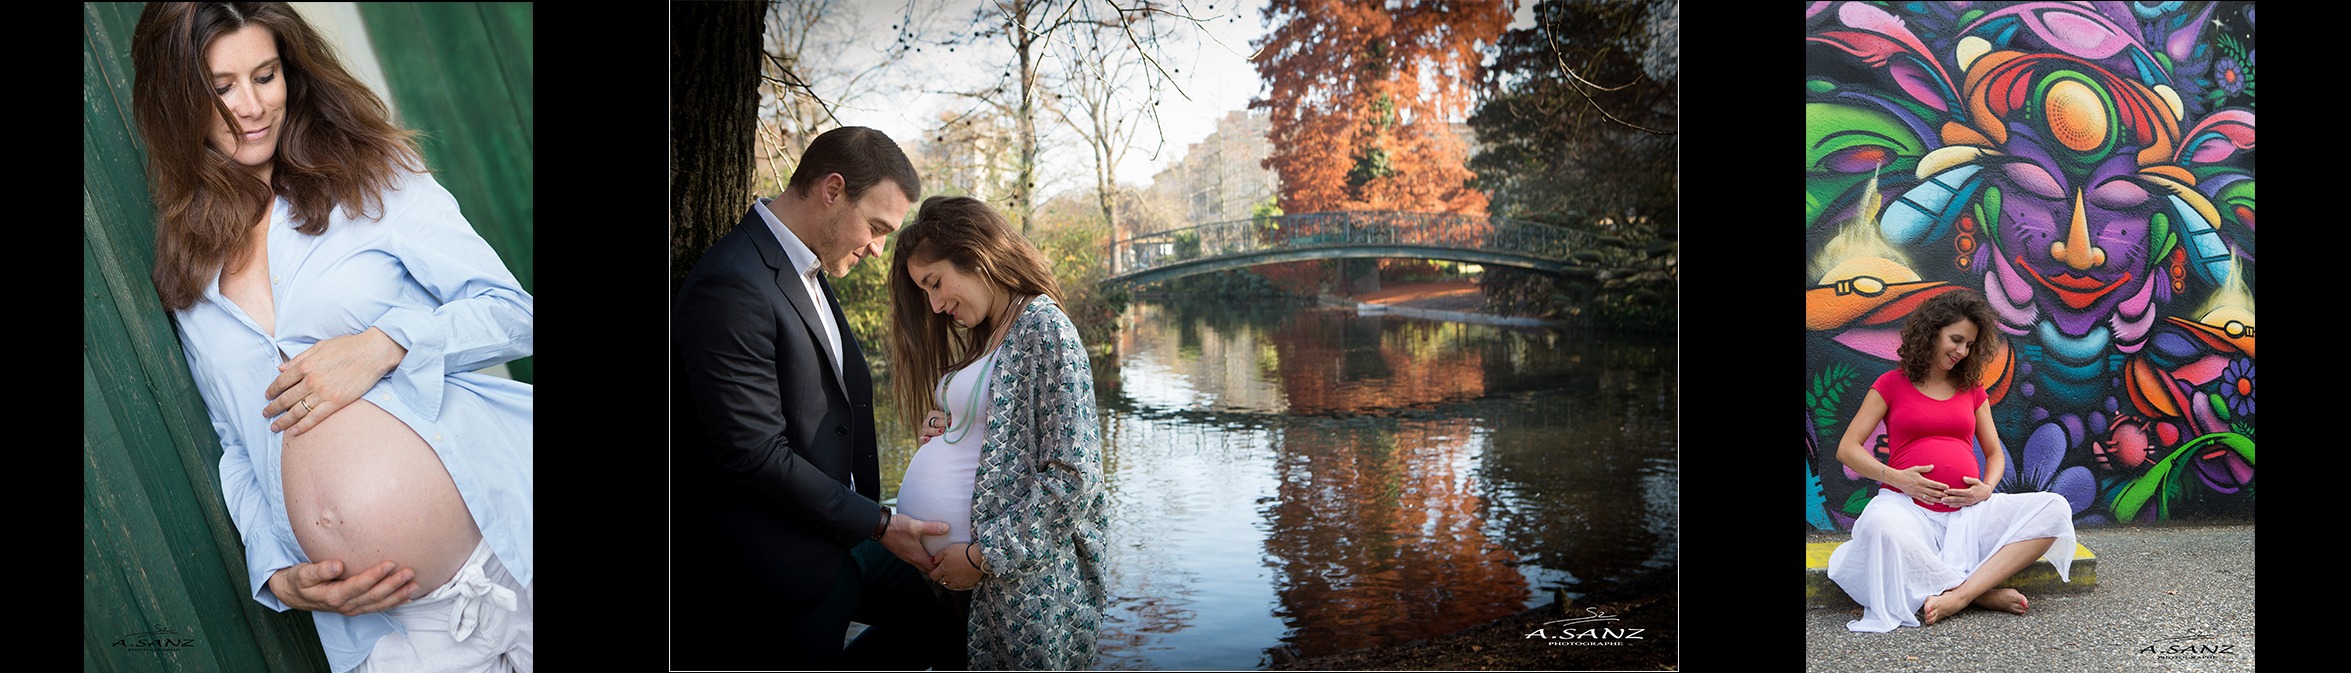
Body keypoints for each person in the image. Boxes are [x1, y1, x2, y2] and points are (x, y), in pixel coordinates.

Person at [129, 3, 534, 671]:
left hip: (508, 539)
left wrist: (384, 346)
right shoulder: (186, 270)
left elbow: (509, 310)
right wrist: (277, 574)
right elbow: (237, 442)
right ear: (177, 101)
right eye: (222, 88)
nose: (253, 106)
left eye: (266, 75)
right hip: (398, 631)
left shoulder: (370, 176)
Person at [671, 126, 962, 670]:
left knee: (950, 610)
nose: (879, 248)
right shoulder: (733, 282)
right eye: (876, 227)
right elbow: (753, 454)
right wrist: (879, 524)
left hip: (841, 535)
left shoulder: (804, 266)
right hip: (777, 568)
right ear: (832, 190)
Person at [884, 195, 1109, 670]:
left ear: (975, 254)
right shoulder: (994, 332)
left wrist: (984, 556)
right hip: (955, 582)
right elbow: (1004, 440)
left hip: (1011, 587)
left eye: (935, 282)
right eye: (925, 291)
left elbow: (1074, 477)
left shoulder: (1045, 329)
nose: (936, 303)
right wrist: (951, 428)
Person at [1827, 288, 2077, 631]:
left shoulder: (1972, 390)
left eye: (1970, 345)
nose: (1962, 351)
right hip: (1906, 508)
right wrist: (1898, 477)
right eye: (1956, 339)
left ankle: (1960, 594)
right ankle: (1979, 594)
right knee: (1877, 528)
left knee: (2055, 509)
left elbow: (1994, 454)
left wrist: (1986, 489)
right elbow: (1848, 449)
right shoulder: (1891, 384)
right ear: (1932, 332)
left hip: (1968, 514)